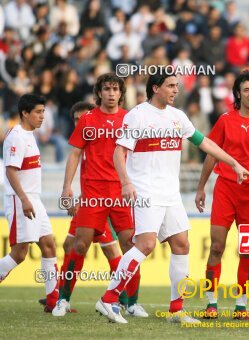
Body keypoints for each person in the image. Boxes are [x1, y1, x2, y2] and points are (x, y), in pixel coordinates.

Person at [95, 72, 249, 324]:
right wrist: (126, 182)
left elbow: (206, 144)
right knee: (146, 245)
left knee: (182, 244)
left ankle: (176, 309)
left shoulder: (178, 117)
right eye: (170, 86)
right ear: (155, 88)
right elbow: (119, 153)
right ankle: (109, 298)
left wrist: (234, 163)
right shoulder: (137, 114)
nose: (175, 90)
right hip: (146, 191)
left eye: (177, 86)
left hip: (171, 193)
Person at [52, 73, 145, 318]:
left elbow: (138, 155)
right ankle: (62, 300)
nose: (111, 93)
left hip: (121, 192)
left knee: (130, 247)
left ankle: (132, 303)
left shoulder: (129, 119)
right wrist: (67, 187)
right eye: (107, 89)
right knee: (79, 244)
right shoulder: (88, 119)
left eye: (116, 89)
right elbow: (74, 154)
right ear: (99, 92)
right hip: (93, 193)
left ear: (121, 93)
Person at [195, 70, 249, 319]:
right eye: (247, 90)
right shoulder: (225, 120)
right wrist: (201, 187)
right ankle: (211, 303)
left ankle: (241, 306)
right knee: (217, 246)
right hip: (225, 189)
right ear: (238, 93)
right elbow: (211, 153)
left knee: (247, 250)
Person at [38, 102, 128, 311]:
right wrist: (72, 192)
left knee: (112, 251)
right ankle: (61, 296)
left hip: (101, 202)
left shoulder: (101, 141)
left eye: (83, 119)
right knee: (71, 246)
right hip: (87, 201)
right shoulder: (82, 146)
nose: (81, 124)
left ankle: (122, 298)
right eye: (76, 121)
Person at [0, 94, 59, 312]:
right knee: (19, 254)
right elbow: (10, 171)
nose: (42, 116)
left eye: (43, 111)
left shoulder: (29, 134)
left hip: (34, 199)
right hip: (21, 200)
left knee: (49, 245)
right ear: (25, 113)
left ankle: (53, 302)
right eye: (38, 112)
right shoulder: (16, 136)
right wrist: (24, 199)